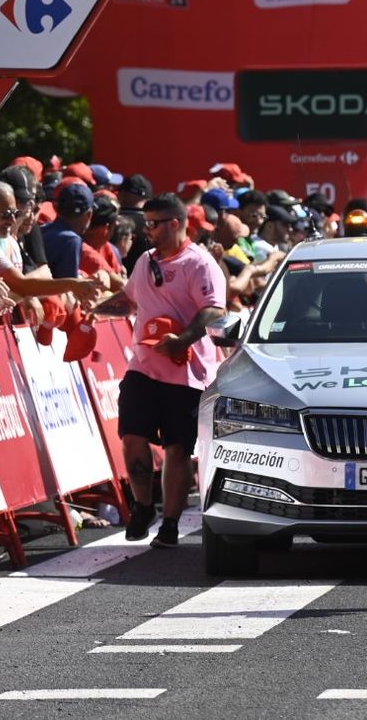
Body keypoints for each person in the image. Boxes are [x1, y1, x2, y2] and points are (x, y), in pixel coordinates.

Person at [120, 193, 226, 547]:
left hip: (186, 373)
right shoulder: (145, 261)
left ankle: (170, 523)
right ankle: (142, 506)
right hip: (143, 367)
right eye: (145, 223)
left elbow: (214, 310)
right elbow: (128, 299)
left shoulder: (199, 263)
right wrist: (91, 306)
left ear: (175, 223)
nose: (147, 230)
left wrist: (182, 340)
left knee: (176, 449)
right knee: (132, 437)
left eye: (154, 224)